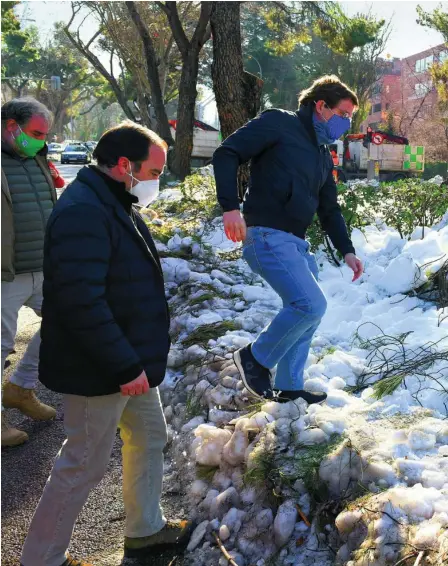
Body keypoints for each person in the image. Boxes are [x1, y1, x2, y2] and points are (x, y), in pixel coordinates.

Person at [20, 121, 192, 566]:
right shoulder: (85, 210)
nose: (159, 179)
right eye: (154, 171)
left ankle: (145, 530)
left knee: (151, 433)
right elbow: (81, 300)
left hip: (125, 358)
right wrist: (123, 365)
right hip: (101, 366)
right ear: (123, 166)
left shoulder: (112, 198)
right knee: (82, 464)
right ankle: (43, 559)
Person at [213, 75, 364, 404]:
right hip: (266, 235)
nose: (347, 123)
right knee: (310, 304)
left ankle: (289, 385)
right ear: (320, 106)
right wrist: (229, 208)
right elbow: (227, 153)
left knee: (310, 312)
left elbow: (330, 210)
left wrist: (347, 251)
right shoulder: (279, 123)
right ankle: (255, 358)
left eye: (350, 117)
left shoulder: (323, 156)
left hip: (295, 242)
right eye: (343, 114)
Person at [1, 97, 57, 447]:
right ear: (11, 127)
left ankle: (21, 387)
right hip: (5, 275)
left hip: (42, 266)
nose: (41, 140)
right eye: (35, 133)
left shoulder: (37, 159)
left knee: (64, 320)